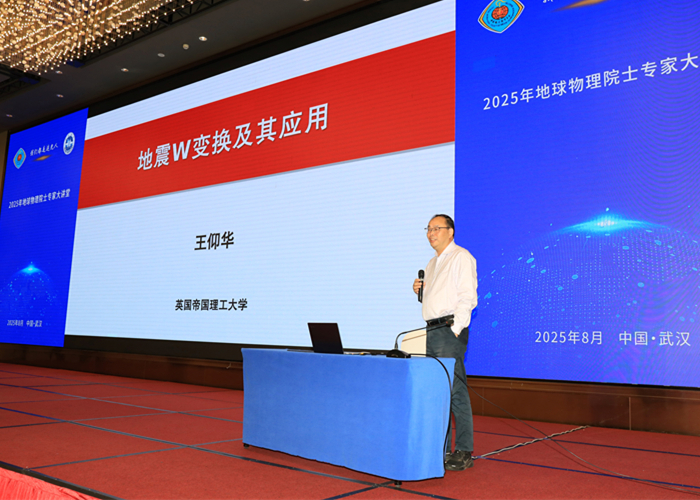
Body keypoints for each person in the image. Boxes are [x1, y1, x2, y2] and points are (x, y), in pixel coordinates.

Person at [413, 214, 477, 471]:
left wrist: (456, 329)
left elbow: (467, 296)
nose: (431, 233)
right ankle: (441, 449)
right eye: (428, 229)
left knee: (455, 391)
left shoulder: (461, 256)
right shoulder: (431, 263)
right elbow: (437, 298)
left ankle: (463, 450)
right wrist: (420, 292)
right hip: (431, 330)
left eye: (436, 228)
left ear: (450, 232)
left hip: (448, 331)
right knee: (438, 392)